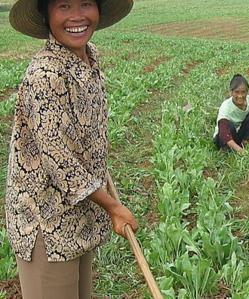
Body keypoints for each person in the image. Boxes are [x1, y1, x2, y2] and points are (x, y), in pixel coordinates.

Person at [6, 0, 138, 298]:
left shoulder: (88, 58)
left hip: (80, 215)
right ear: (46, 14)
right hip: (46, 223)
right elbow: (59, 160)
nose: (77, 16)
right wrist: (114, 207)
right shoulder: (45, 74)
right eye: (64, 5)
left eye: (86, 3)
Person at [213, 74, 249, 154]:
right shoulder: (226, 106)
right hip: (224, 138)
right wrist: (240, 151)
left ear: (247, 92)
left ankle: (244, 142)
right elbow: (224, 133)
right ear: (231, 92)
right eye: (236, 92)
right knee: (229, 125)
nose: (240, 96)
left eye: (243, 92)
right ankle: (226, 149)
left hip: (239, 135)